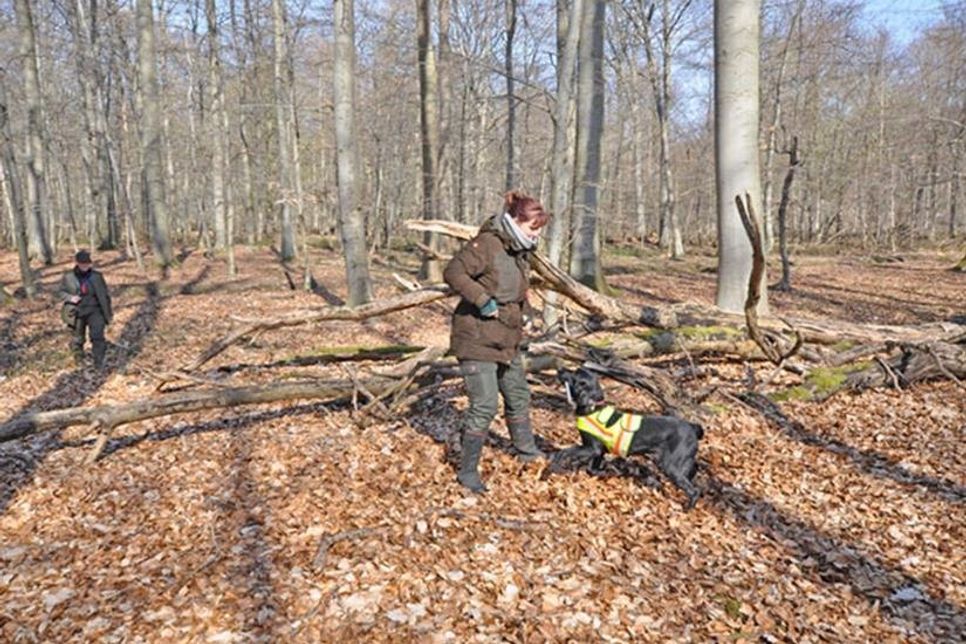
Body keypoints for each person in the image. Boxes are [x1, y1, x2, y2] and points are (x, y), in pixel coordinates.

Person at [443, 191, 551, 493]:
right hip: (476, 337)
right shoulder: (488, 244)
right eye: (533, 228)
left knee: (518, 395)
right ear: (516, 221)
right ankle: (467, 473)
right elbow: (453, 271)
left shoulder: (518, 251)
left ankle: (527, 452)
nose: (537, 234)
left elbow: (516, 293)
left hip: (507, 339)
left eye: (540, 228)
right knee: (485, 404)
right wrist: (481, 299)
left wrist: (528, 315)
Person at [59, 249, 113, 369]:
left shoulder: (97, 276)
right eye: (82, 263)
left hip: (95, 310)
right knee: (77, 339)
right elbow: (61, 292)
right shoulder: (68, 277)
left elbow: (105, 295)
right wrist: (70, 298)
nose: (85, 266)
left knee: (97, 336)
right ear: (77, 263)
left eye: (87, 263)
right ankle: (79, 360)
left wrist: (108, 313)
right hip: (76, 311)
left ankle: (99, 362)